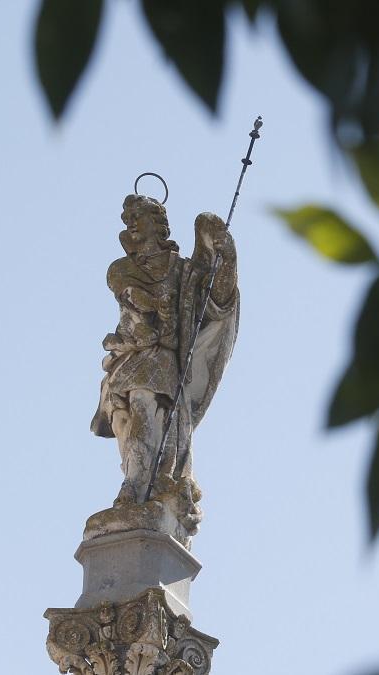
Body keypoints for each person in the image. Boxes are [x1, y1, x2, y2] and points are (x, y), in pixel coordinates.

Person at [90, 194, 239, 535]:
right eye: (127, 218)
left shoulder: (183, 270)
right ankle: (136, 484)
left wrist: (224, 255)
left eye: (137, 216)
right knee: (130, 421)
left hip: (162, 362)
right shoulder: (122, 269)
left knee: (150, 406)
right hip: (130, 357)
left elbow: (218, 300)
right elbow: (134, 300)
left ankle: (141, 487)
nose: (130, 223)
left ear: (155, 223)